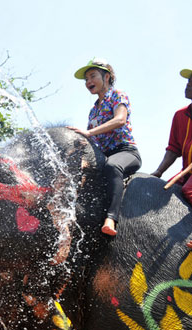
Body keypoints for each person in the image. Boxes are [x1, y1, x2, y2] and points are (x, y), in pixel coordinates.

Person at [68, 58, 142, 236]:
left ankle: (111, 218)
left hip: (125, 152)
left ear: (107, 76)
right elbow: (92, 140)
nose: (88, 82)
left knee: (112, 166)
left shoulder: (118, 95)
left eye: (92, 76)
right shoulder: (93, 110)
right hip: (104, 154)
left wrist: (89, 133)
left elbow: (120, 120)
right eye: (86, 79)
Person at [151, 67, 192, 246]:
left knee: (188, 191)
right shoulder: (180, 115)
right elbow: (174, 148)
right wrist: (159, 172)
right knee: (167, 190)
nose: (187, 85)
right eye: (188, 81)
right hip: (187, 172)